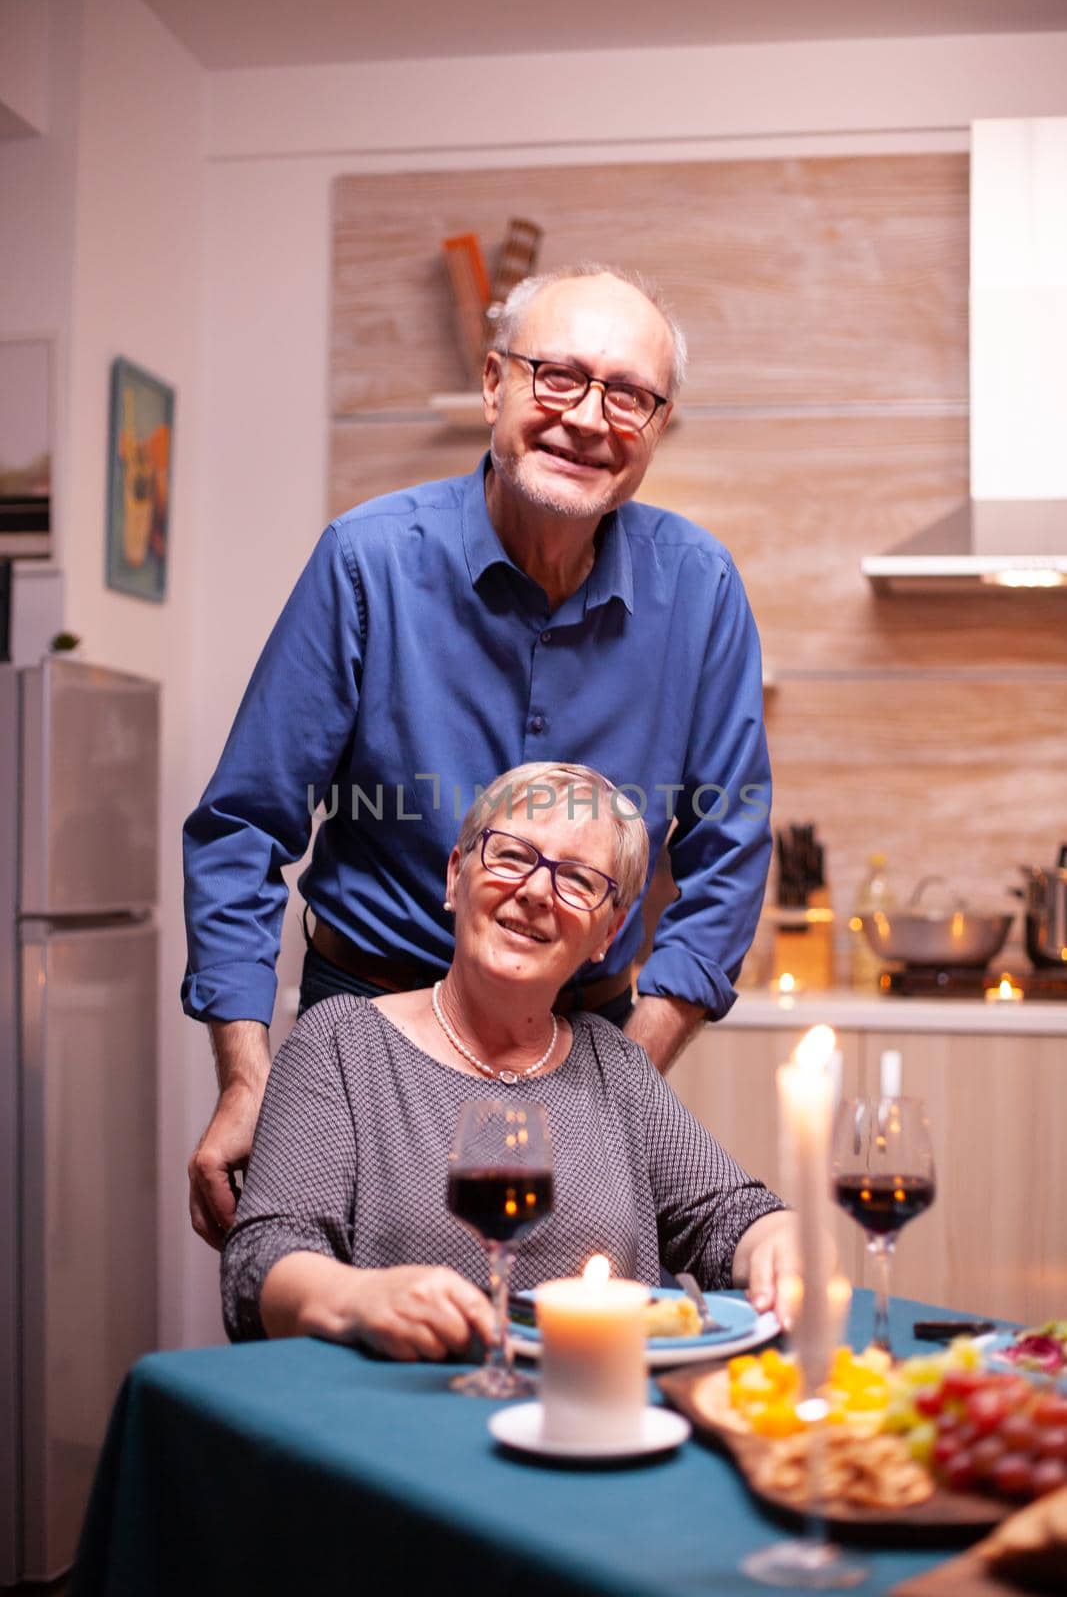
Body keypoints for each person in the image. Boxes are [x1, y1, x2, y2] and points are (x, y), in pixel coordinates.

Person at [185, 262, 772, 1249]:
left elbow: (728, 857)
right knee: (344, 1327)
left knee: (568, 1337)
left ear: (657, 427)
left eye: (628, 394)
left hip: (581, 1030)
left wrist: (618, 1075)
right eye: (557, 377)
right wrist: (245, 1080)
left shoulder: (700, 588)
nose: (588, 418)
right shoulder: (366, 561)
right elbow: (243, 830)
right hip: (363, 1024)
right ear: (494, 384)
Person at [222, 765, 794, 1354]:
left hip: (596, 1418)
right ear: (455, 876)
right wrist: (355, 1299)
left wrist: (778, 1239)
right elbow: (258, 1262)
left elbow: (727, 1217)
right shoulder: (341, 1044)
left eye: (577, 879)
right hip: (400, 1418)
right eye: (513, 856)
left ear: (609, 932)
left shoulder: (615, 1064)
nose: (538, 891)